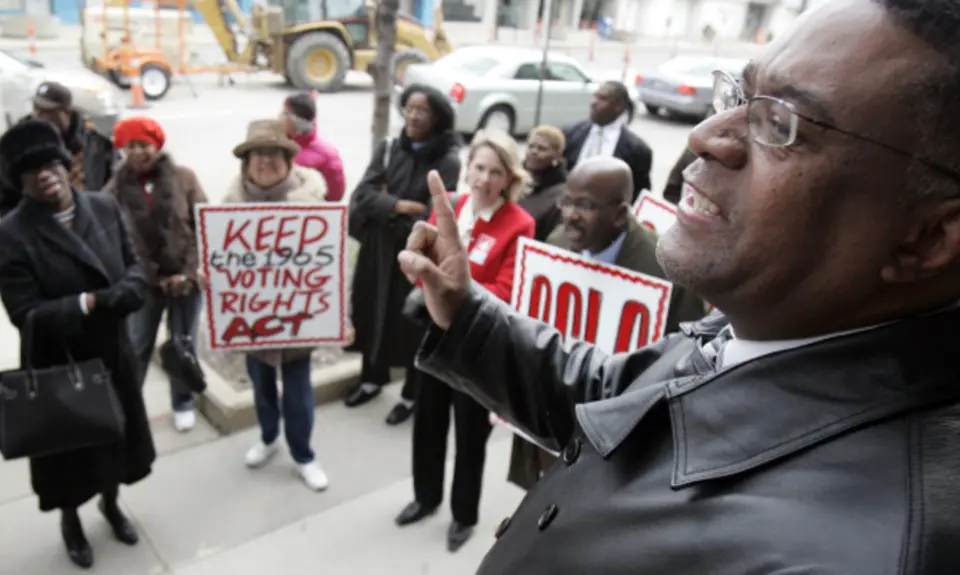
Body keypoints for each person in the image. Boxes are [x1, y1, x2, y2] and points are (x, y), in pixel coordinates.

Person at [396, 0, 960, 571]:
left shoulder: (853, 555)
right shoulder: (769, 324)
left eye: (781, 123)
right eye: (739, 97)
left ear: (928, 237)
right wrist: (466, 312)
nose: (707, 135)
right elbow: (606, 395)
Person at [0, 120, 154, 569]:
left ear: (66, 166)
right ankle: (71, 521)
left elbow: (133, 264)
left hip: (112, 354)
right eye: (30, 172)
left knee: (116, 444)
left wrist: (132, 287)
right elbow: (25, 314)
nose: (43, 175)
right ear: (21, 183)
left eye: (49, 164)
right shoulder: (11, 235)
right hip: (60, 365)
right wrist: (88, 302)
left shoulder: (103, 207)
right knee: (69, 457)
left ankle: (110, 504)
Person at [506, 156, 707, 491]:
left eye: (583, 205)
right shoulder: (555, 246)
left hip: (619, 451)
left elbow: (689, 364)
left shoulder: (668, 272)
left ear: (620, 213)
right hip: (556, 429)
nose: (569, 215)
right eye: (566, 202)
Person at [395, 131, 535, 553]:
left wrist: (447, 285)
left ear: (509, 179)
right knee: (428, 421)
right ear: (467, 166)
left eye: (496, 172)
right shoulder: (453, 206)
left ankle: (463, 515)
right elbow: (432, 261)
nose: (484, 179)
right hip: (436, 334)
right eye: (479, 167)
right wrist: (422, 273)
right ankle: (425, 497)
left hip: (478, 345)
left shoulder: (519, 222)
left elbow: (507, 290)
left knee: (470, 432)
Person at [346, 83, 462, 425]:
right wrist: (396, 203)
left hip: (417, 255)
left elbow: (433, 212)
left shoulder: (447, 160)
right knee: (369, 311)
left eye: (422, 110)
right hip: (378, 251)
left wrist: (389, 207)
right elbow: (362, 196)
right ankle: (371, 379)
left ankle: (411, 394)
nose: (412, 115)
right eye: (409, 108)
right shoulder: (387, 149)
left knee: (411, 324)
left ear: (437, 117)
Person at [225, 119, 330, 491]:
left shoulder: (312, 206)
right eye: (257, 154)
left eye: (273, 153)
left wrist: (337, 317)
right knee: (261, 385)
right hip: (253, 321)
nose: (265, 161)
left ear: (288, 159)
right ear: (246, 161)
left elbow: (327, 267)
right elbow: (223, 262)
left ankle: (303, 454)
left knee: (299, 392)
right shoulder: (229, 209)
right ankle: (269, 438)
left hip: (297, 320)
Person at [103, 117, 208, 432]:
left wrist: (190, 273)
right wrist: (148, 278)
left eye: (143, 144)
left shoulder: (184, 178)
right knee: (136, 346)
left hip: (186, 282)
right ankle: (129, 408)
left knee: (182, 343)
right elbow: (112, 241)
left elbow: (204, 225)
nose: (137, 152)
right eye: (130, 146)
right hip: (143, 285)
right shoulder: (113, 190)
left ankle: (183, 402)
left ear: (156, 145)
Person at [0, 82, 115, 215]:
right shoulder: (17, 145)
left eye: (47, 112)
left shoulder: (96, 145)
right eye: (36, 109)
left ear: (67, 112)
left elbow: (110, 189)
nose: (38, 116)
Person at [562, 81, 652, 203]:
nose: (594, 102)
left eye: (602, 99)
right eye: (595, 96)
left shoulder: (637, 150)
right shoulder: (570, 133)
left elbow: (638, 195)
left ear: (619, 107)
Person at [280, 92, 346, 202]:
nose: (279, 118)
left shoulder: (327, 156)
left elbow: (334, 197)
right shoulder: (276, 146)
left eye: (284, 114)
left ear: (297, 121)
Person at [517, 125, 566, 242]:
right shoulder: (513, 180)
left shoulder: (559, 195)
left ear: (557, 156)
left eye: (542, 148)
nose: (534, 152)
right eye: (531, 146)